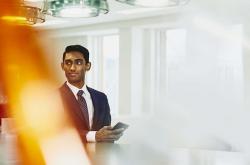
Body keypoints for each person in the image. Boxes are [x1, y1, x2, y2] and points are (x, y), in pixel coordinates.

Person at [59, 45, 124, 143]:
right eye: (68, 63)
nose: (72, 68)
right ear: (62, 66)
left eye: (78, 62)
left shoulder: (101, 98)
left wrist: (110, 135)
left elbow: (105, 135)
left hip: (99, 157)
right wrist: (94, 136)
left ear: (87, 66)